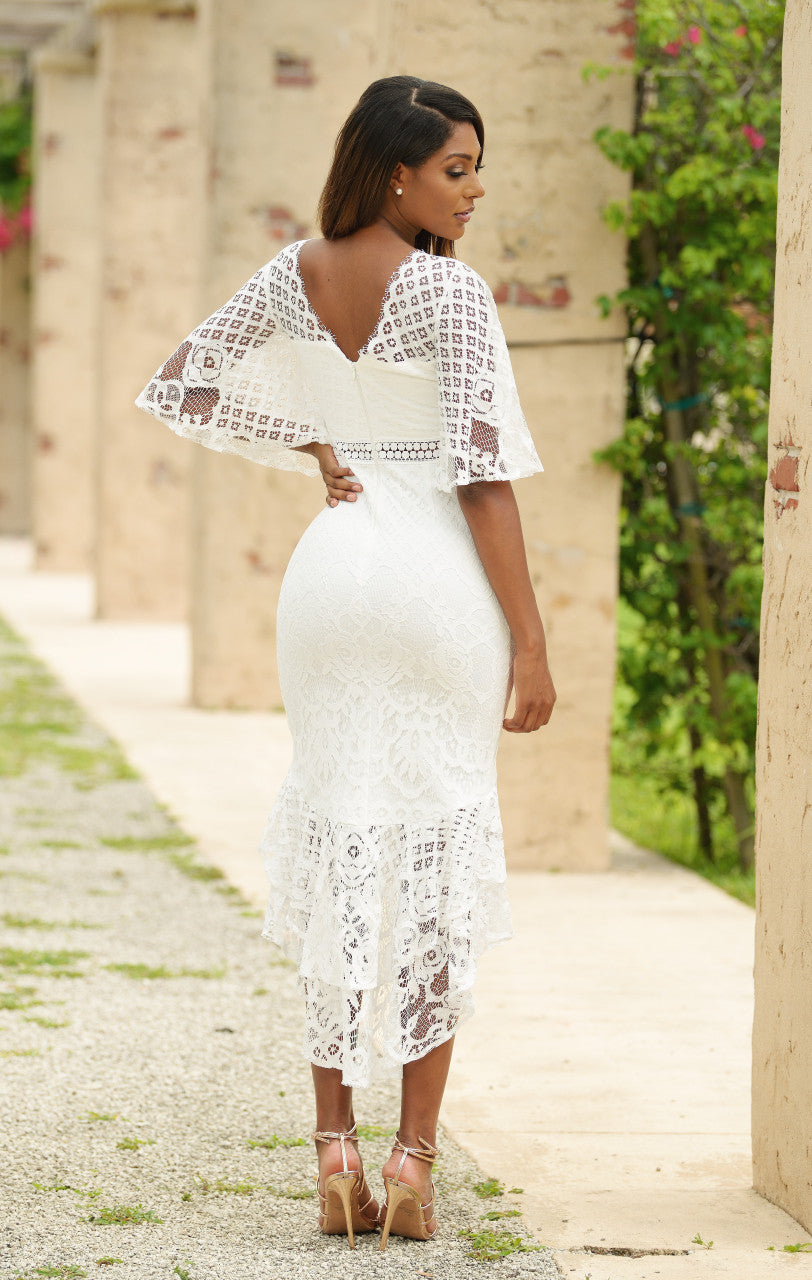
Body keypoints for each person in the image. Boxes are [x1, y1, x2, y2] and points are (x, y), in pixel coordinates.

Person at [135, 74, 555, 1251]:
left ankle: (333, 1147)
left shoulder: (296, 270)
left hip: (328, 579)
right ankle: (411, 1158)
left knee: (334, 841)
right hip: (431, 585)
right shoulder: (448, 292)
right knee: (435, 852)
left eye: (476, 168)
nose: (473, 190)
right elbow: (481, 478)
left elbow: (187, 379)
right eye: (456, 170)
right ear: (394, 172)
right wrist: (530, 640)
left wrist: (320, 437)